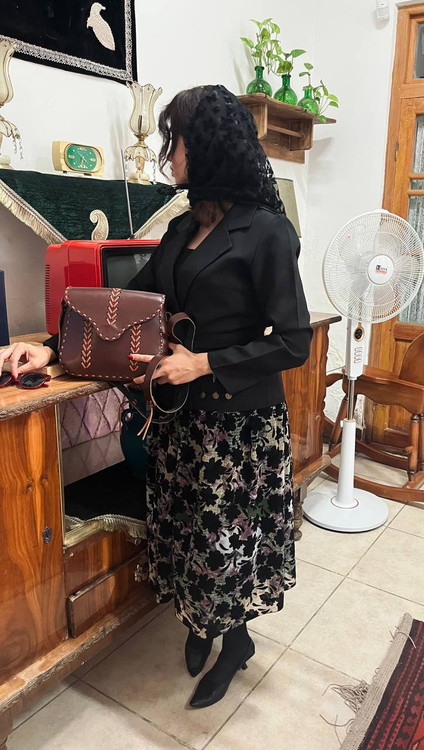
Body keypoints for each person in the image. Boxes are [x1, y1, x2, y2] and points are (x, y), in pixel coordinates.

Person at [0, 85, 312, 709]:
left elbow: (294, 341)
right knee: (189, 536)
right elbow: (127, 307)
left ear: (210, 148)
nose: (170, 155)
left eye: (177, 142)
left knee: (225, 545)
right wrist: (53, 352)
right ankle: (202, 624)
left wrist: (202, 363)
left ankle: (235, 641)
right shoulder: (180, 229)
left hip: (238, 429)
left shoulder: (266, 232)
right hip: (178, 423)